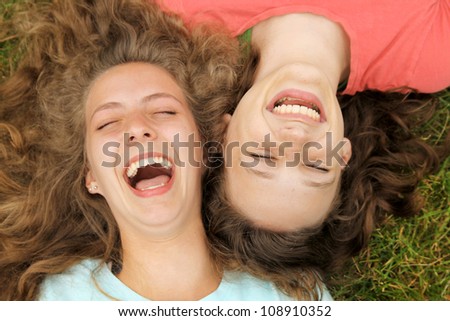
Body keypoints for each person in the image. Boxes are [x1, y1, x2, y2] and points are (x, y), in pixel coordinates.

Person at [0, 0, 306, 301]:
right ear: (91, 176)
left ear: (207, 149)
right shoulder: (56, 300)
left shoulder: (290, 296)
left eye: (164, 111)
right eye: (108, 122)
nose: (137, 127)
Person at [158, 0, 450, 298]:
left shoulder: (184, 10)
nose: (296, 137)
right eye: (316, 166)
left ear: (221, 133)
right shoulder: (428, 53)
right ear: (343, 155)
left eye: (261, 155)